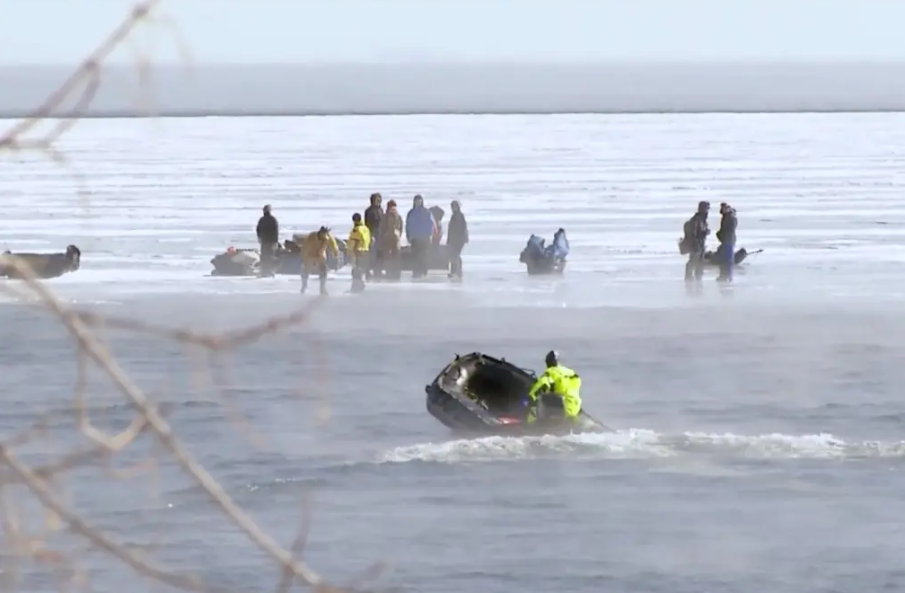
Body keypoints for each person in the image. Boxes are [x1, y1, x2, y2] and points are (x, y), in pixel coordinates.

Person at [525, 351, 582, 423]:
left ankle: (530, 425)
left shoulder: (551, 372)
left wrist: (530, 398)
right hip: (575, 407)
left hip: (561, 408)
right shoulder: (570, 372)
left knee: (538, 400)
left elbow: (542, 385)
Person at [297, 226, 338, 295]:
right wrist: (303, 258)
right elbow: (304, 247)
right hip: (309, 255)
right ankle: (304, 286)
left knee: (323, 270)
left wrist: (335, 256)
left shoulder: (328, 238)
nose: (323, 237)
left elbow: (334, 247)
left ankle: (322, 288)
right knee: (305, 270)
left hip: (320, 255)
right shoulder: (311, 236)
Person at [405, 194, 436, 279]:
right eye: (416, 201)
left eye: (419, 201)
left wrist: (430, 235)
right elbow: (408, 225)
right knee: (415, 255)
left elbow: (430, 224)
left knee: (423, 255)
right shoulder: (411, 213)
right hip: (415, 237)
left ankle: (423, 270)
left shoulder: (426, 212)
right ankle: (416, 271)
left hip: (424, 237)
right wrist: (408, 235)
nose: (418, 202)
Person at [681, 201, 710, 282]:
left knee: (699, 263)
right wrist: (704, 233)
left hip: (700, 245)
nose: (707, 210)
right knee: (692, 262)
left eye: (708, 208)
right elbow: (694, 234)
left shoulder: (702, 219)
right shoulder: (696, 220)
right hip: (696, 245)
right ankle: (689, 279)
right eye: (706, 208)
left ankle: (698, 279)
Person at [377, 199, 403, 280]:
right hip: (392, 237)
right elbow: (400, 227)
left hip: (389, 237)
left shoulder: (388, 216)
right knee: (393, 256)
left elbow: (381, 228)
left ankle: (392, 272)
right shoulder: (396, 216)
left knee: (390, 256)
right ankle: (394, 272)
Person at [346, 213, 371, 293]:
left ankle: (356, 287)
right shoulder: (365, 228)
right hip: (365, 250)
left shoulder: (356, 229)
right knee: (361, 269)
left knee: (356, 270)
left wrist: (352, 251)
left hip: (357, 251)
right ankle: (360, 284)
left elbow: (355, 241)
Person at [715, 202, 738, 283]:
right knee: (726, 258)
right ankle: (725, 276)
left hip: (728, 240)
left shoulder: (730, 217)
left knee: (728, 259)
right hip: (727, 240)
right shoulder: (727, 217)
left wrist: (720, 235)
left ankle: (727, 277)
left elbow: (728, 230)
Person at [446, 200, 469, 279]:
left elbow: (463, 228)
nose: (453, 208)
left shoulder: (459, 216)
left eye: (454, 207)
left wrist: (464, 237)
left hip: (458, 239)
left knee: (455, 255)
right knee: (454, 255)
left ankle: (455, 271)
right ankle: (456, 271)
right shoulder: (454, 216)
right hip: (455, 239)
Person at [256, 204, 279, 277]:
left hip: (265, 241)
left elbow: (258, 230)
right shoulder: (272, 219)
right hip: (270, 241)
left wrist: (259, 238)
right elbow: (276, 230)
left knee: (264, 256)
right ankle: (268, 271)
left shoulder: (262, 220)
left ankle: (265, 271)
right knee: (269, 256)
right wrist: (275, 241)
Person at [364, 193, 383, 280]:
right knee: (372, 254)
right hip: (372, 234)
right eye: (376, 200)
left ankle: (378, 272)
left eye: (379, 200)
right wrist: (370, 236)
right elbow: (367, 224)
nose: (378, 202)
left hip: (380, 234)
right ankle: (368, 272)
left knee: (379, 254)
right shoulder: (369, 211)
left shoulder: (381, 210)